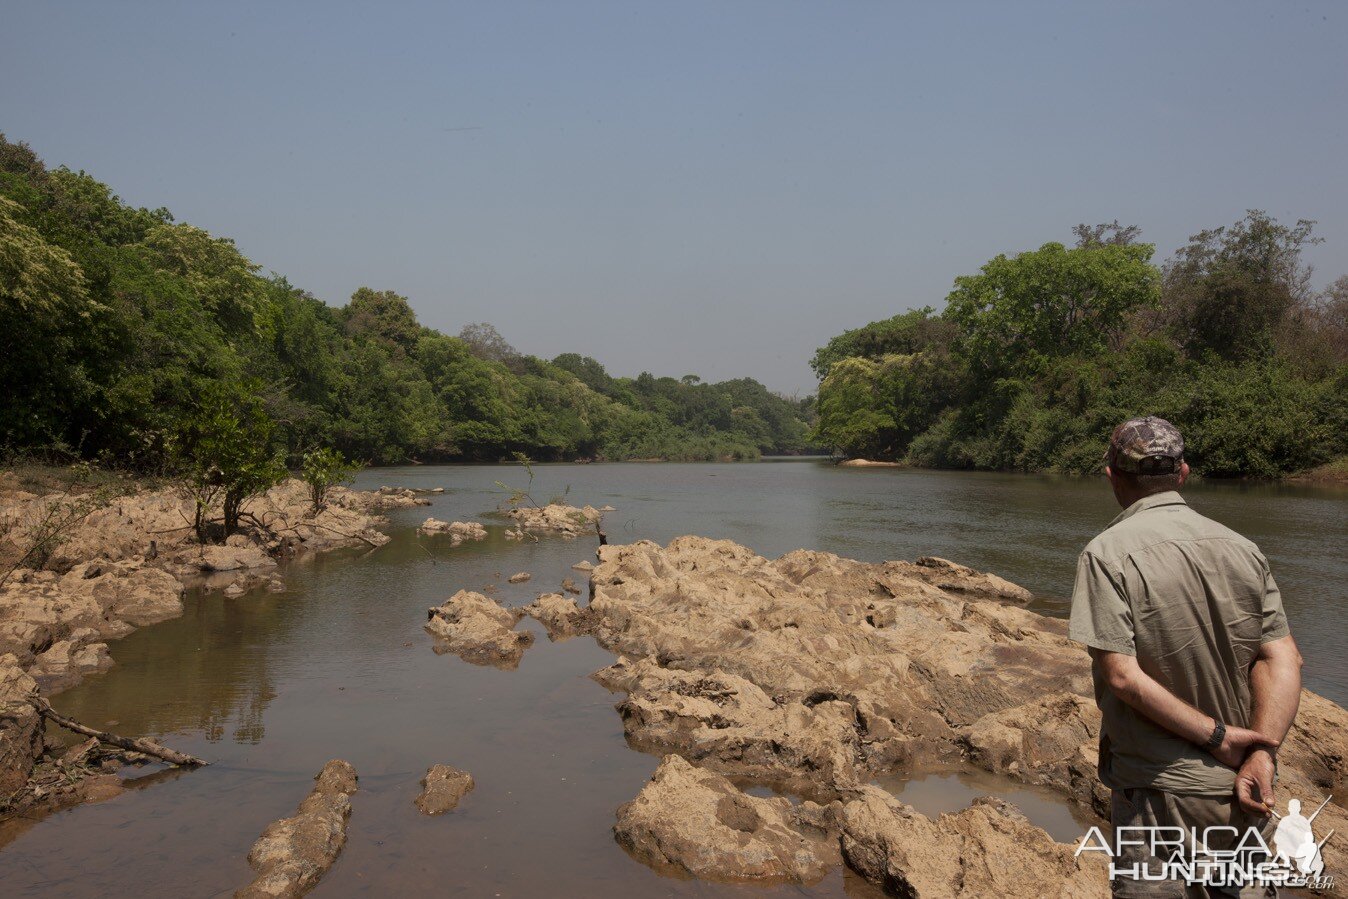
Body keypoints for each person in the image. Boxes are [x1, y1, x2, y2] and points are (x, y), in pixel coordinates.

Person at [1069, 416, 1304, 898]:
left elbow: (1122, 678)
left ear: (1112, 476)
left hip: (1159, 792)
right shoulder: (1242, 548)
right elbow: (1283, 659)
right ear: (1183, 473)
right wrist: (1262, 750)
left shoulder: (1106, 554)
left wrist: (1219, 736)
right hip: (1245, 787)